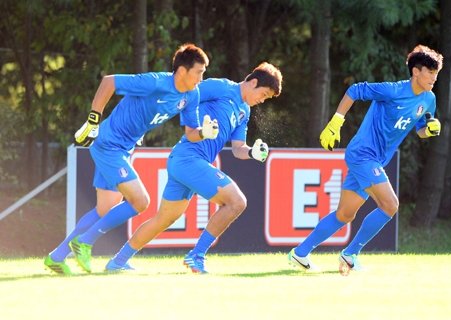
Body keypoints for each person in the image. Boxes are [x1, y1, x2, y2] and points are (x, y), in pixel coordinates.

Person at [44, 43, 211, 275]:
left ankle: (57, 257)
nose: (201, 79)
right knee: (141, 202)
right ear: (182, 71)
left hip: (123, 149)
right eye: (199, 73)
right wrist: (93, 119)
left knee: (104, 210)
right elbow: (109, 81)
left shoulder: (192, 95)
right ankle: (85, 242)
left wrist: (204, 132)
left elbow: (191, 133)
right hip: (108, 144)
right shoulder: (155, 82)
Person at [105, 62, 283, 273]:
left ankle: (117, 261)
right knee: (237, 202)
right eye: (263, 94)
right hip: (188, 158)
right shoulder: (222, 87)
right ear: (253, 82)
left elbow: (237, 148)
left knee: (164, 219)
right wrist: (192, 125)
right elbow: (186, 95)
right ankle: (196, 255)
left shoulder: (244, 111)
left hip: (186, 162)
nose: (261, 101)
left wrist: (252, 152)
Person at [288, 44, 443, 275]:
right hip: (363, 154)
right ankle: (350, 255)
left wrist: (428, 131)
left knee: (345, 214)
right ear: (416, 72)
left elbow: (420, 128)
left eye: (436, 73)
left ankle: (299, 254)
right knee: (390, 205)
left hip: (374, 160)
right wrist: (336, 122)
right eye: (430, 72)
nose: (434, 77)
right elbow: (355, 90)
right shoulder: (392, 91)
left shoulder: (429, 99)